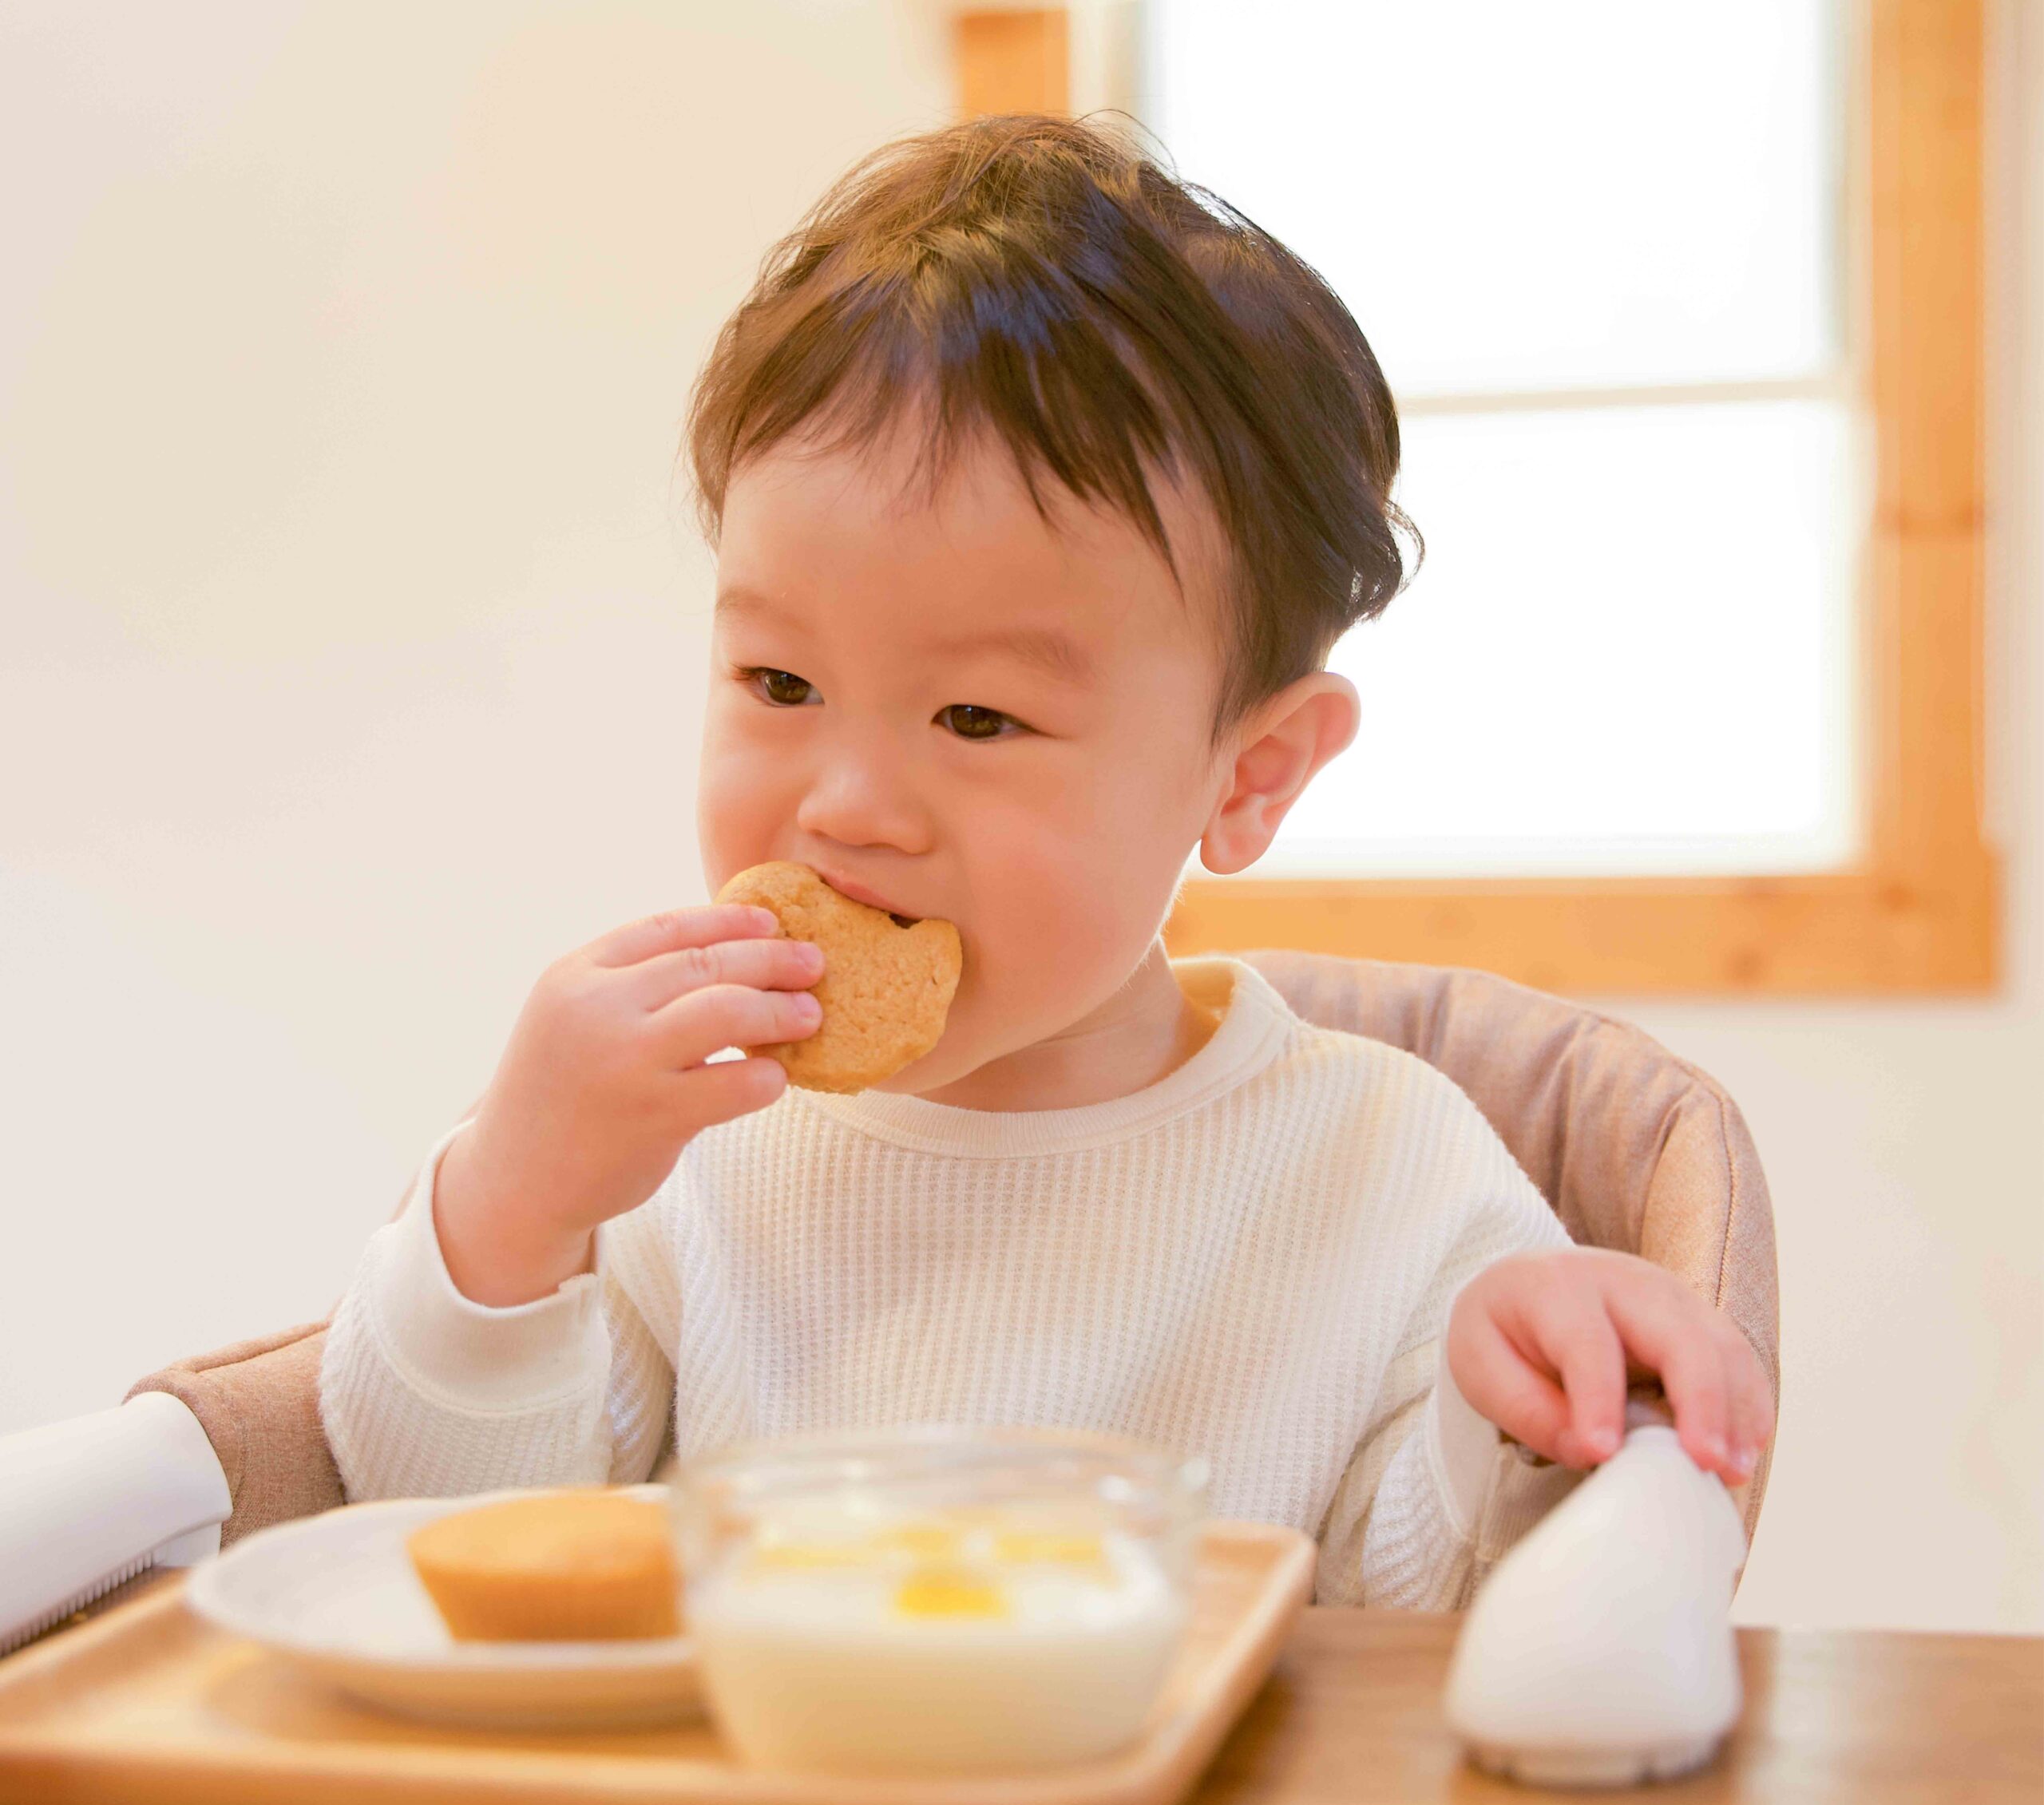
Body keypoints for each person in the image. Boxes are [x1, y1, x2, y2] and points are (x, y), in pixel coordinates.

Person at [320, 117, 1773, 1608]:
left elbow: (1444, 1633)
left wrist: (1508, 1415)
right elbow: (427, 1537)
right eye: (779, 683)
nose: (849, 804)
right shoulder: (681, 1148)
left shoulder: (1382, 1170)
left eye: (976, 715)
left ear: (1249, 773)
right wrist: (511, 1202)